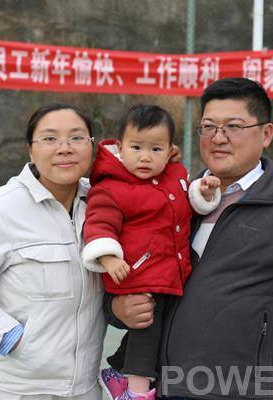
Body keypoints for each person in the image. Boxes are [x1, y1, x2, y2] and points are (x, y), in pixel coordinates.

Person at [106, 77, 273, 399]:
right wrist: (117, 308)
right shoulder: (172, 198)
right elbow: (128, 274)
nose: (218, 138)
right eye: (209, 127)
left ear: (266, 134)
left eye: (234, 126)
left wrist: (260, 363)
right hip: (160, 387)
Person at [0, 103, 106, 400]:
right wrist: (9, 337)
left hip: (84, 386)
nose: (65, 148)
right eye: (50, 138)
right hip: (18, 388)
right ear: (30, 150)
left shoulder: (103, 202)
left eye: (77, 137)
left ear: (92, 147)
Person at [82, 104, 221, 400]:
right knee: (147, 331)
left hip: (170, 272)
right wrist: (108, 258)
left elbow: (186, 206)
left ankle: (118, 371)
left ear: (170, 151)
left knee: (163, 328)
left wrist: (203, 193)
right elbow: (99, 224)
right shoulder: (111, 187)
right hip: (138, 274)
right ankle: (137, 392)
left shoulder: (174, 176)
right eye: (136, 148)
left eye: (156, 149)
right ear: (120, 148)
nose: (145, 157)